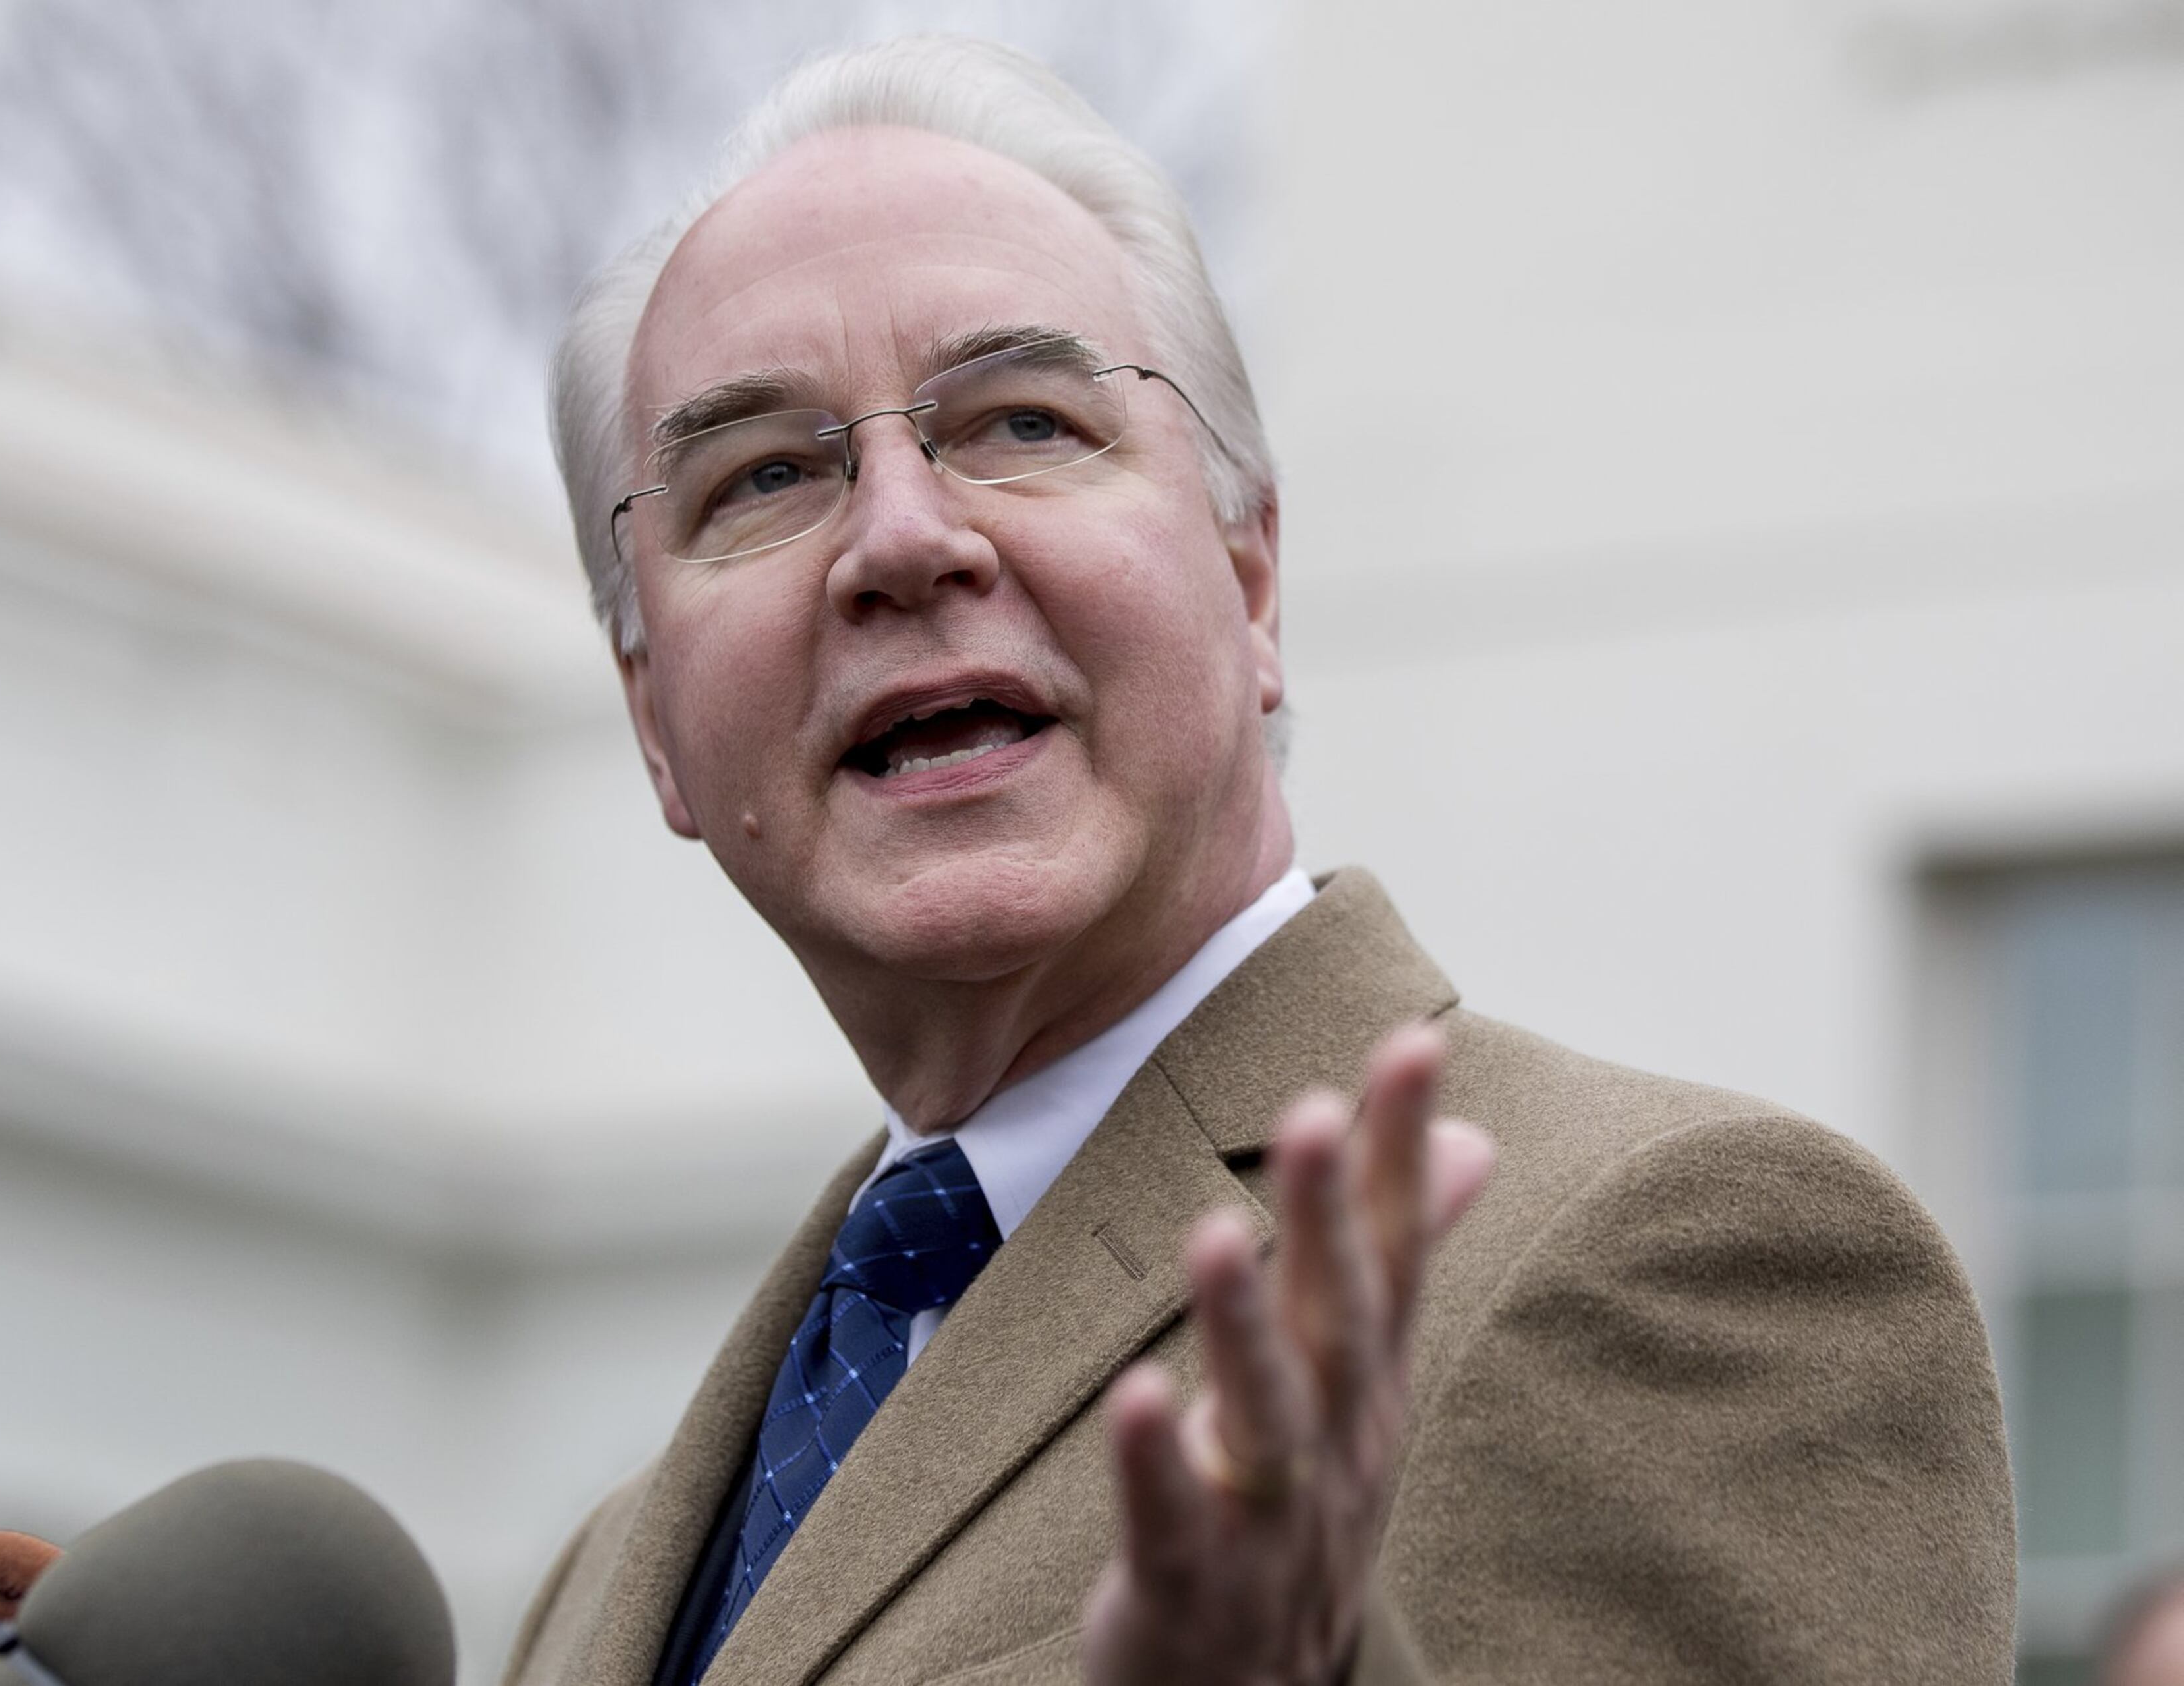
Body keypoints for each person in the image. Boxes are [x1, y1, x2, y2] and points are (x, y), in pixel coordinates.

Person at [502, 36, 2015, 1686]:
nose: (903, 539)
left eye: (1021, 419)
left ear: (1253, 578)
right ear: (654, 718)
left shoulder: (1679, 1258)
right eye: (766, 476)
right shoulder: (604, 1581)